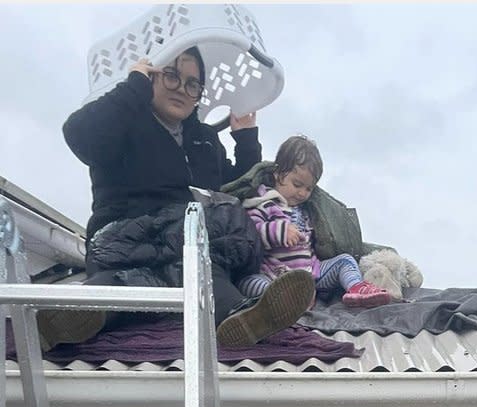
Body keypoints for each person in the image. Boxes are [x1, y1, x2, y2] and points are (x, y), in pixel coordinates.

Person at [39, 48, 313, 350]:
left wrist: (246, 140)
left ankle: (243, 318)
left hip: (190, 249)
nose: (182, 89)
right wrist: (133, 87)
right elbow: (81, 135)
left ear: (199, 93)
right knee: (121, 284)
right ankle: (72, 314)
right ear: (152, 76)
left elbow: (234, 188)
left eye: (192, 84)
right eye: (172, 77)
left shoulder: (204, 139)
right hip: (128, 241)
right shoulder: (125, 121)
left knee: (209, 274)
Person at [236, 135, 394, 317]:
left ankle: (357, 288)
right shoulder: (264, 203)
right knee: (247, 282)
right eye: (297, 184)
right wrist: (279, 231)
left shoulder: (307, 210)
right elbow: (251, 233)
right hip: (275, 275)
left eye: (309, 188)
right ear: (278, 174)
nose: (302, 193)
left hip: (312, 272)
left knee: (345, 260)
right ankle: (283, 300)